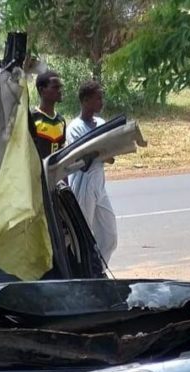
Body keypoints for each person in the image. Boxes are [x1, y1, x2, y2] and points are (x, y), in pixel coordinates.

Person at [65, 79, 118, 261]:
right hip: (83, 184)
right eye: (97, 99)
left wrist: (100, 151)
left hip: (99, 184)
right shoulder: (75, 128)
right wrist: (101, 151)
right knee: (82, 236)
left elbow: (108, 157)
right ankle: (78, 270)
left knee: (109, 236)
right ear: (85, 101)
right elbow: (84, 159)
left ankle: (98, 269)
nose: (101, 102)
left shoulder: (102, 122)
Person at [28, 71, 66, 160]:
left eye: (60, 87)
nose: (60, 91)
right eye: (55, 87)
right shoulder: (32, 119)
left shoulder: (61, 121)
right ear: (42, 90)